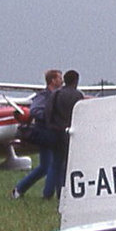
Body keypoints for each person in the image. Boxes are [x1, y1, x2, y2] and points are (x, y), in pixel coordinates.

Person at [11, 69, 62, 199]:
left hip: (53, 132)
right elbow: (34, 111)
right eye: (59, 78)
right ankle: (48, 194)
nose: (62, 81)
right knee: (51, 165)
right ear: (53, 80)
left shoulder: (58, 95)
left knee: (45, 166)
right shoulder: (43, 96)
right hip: (45, 133)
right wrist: (50, 116)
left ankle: (19, 189)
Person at [46, 69, 86, 199]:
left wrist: (51, 126)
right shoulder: (78, 96)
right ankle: (65, 192)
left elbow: (48, 113)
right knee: (68, 164)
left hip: (56, 132)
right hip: (72, 133)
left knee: (56, 164)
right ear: (76, 81)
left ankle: (50, 192)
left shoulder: (56, 94)